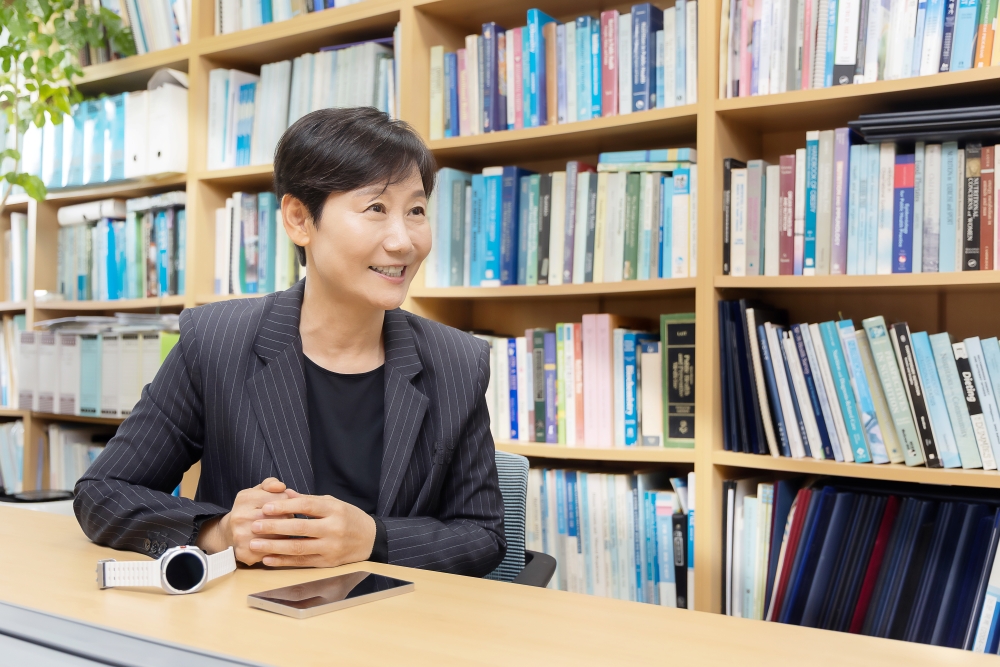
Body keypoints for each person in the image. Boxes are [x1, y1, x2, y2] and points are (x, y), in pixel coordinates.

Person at [74, 107, 506, 576]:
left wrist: (374, 538)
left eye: (416, 211)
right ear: (300, 219)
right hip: (252, 624)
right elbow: (104, 490)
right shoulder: (217, 342)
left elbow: (482, 535)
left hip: (394, 627)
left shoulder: (457, 362)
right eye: (376, 208)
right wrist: (217, 532)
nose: (403, 240)